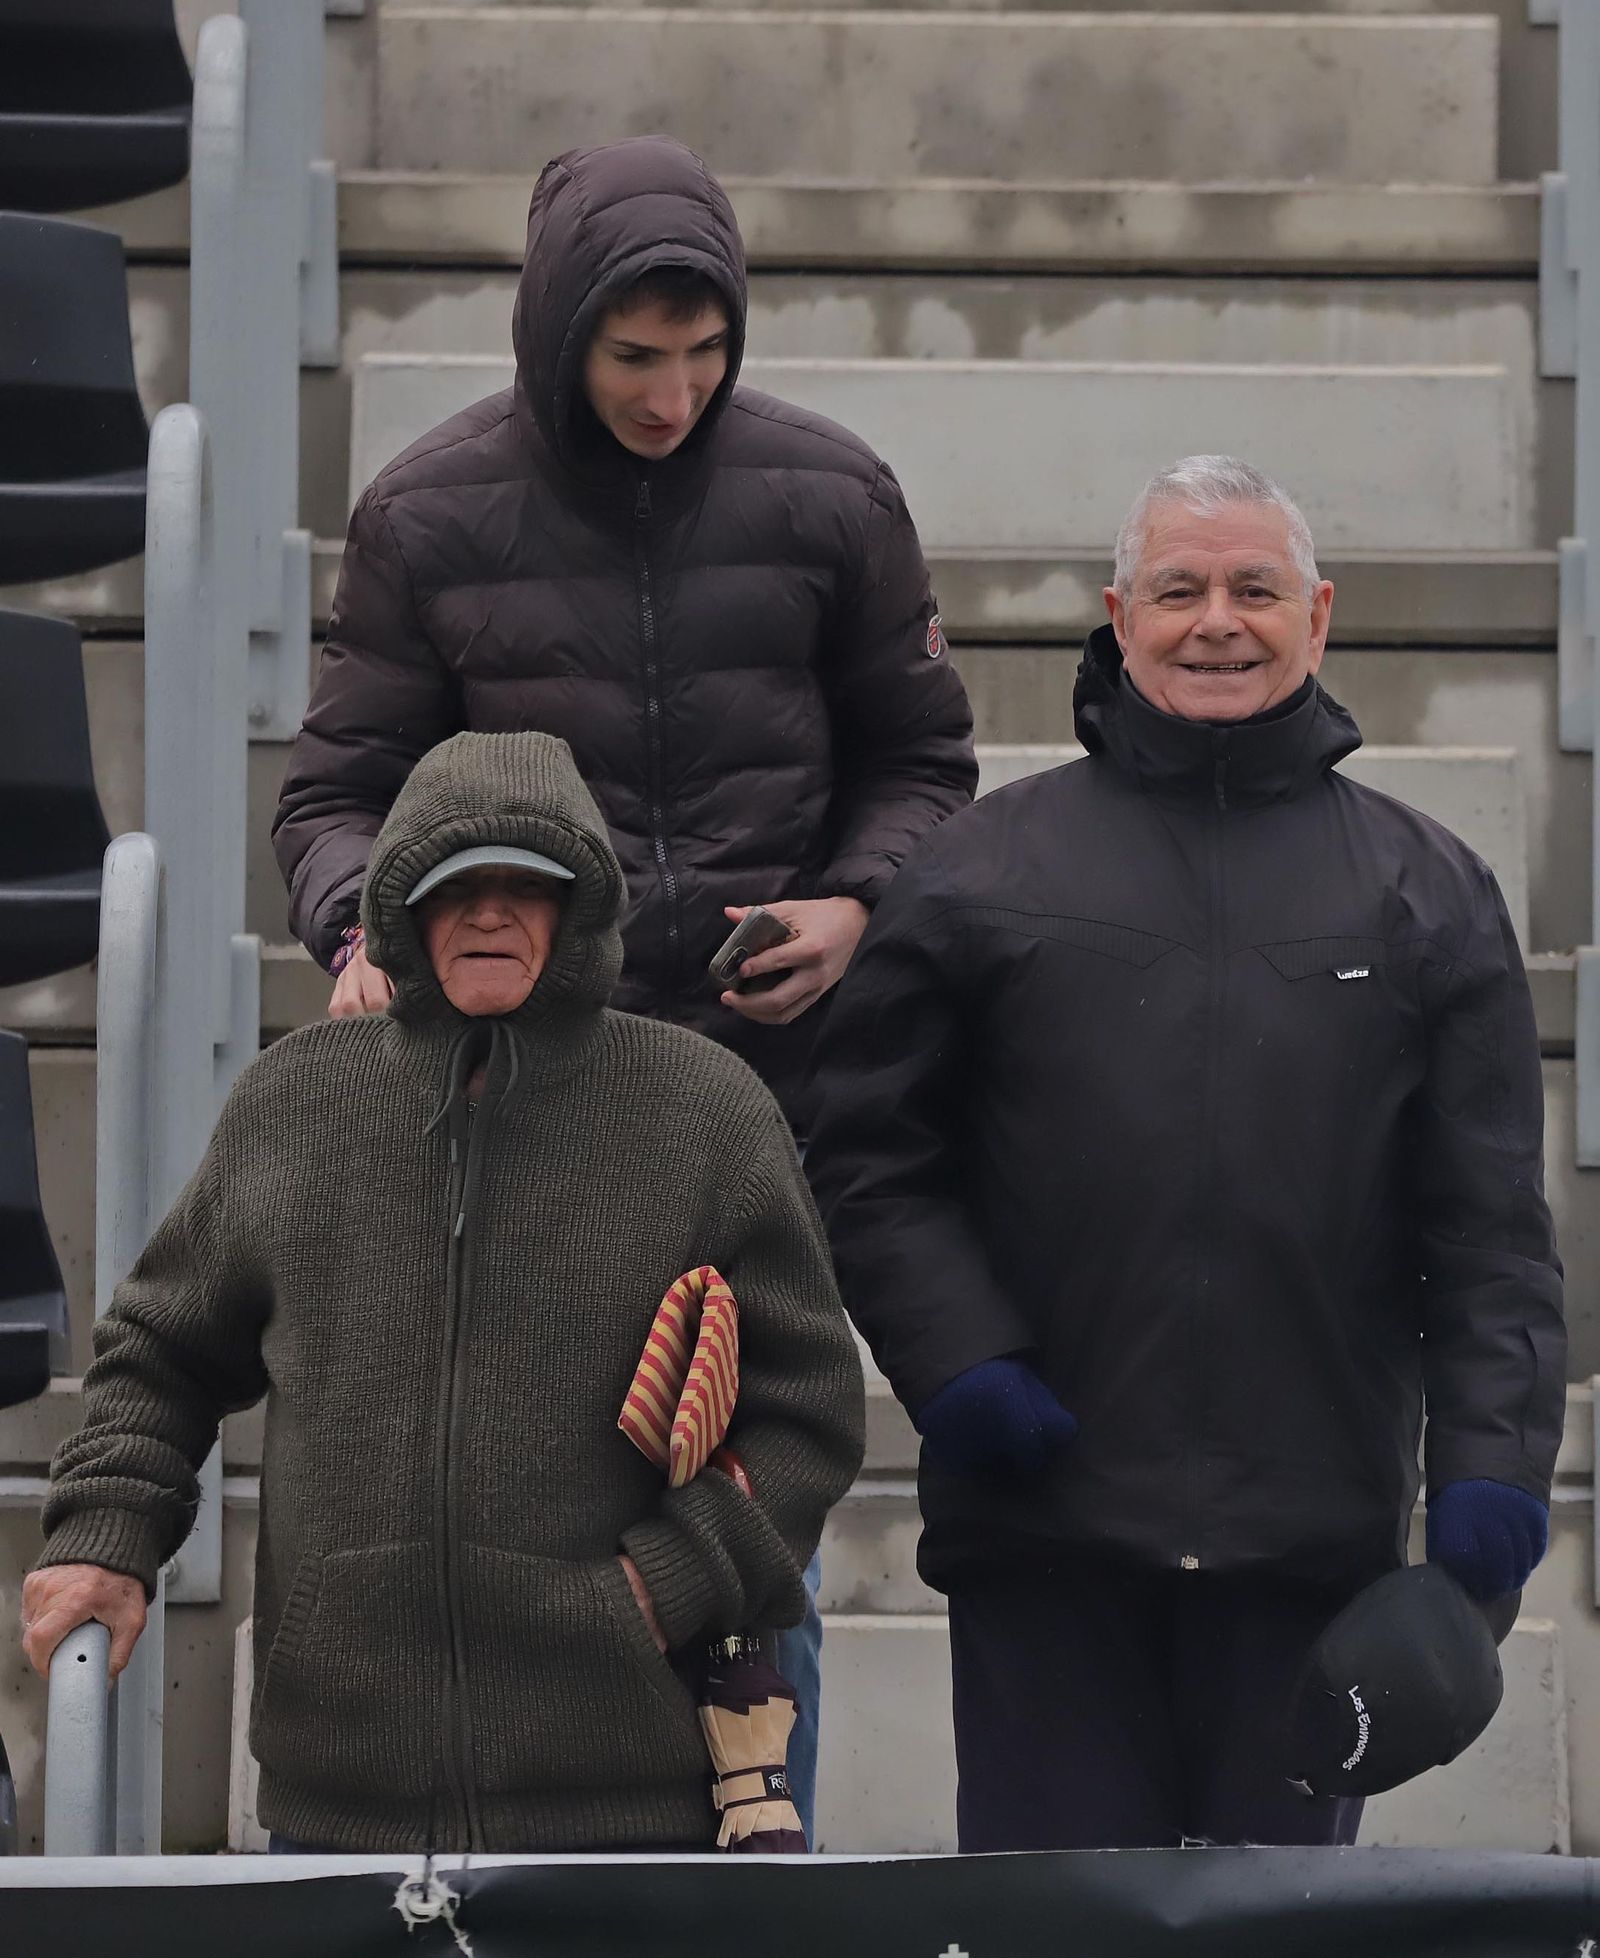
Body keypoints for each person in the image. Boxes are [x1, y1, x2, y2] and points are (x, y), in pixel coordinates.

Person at [270, 135, 977, 1839]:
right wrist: (368, 934)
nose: (675, 394)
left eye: (705, 353)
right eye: (634, 356)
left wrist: (855, 909)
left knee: (748, 1503)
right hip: (509, 1110)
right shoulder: (430, 512)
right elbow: (331, 793)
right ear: (556, 337)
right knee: (525, 1499)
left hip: (760, 1104)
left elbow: (924, 767)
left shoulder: (831, 497)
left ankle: (749, 1874)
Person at [806, 455, 1567, 1853]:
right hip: (1045, 1544)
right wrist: (962, 1364)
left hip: (1308, 1559)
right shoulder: (977, 874)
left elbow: (1490, 1234)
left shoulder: (1432, 894)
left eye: (1254, 587)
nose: (1218, 618)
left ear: (1318, 616)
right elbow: (867, 1153)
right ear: (1118, 612)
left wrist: (1492, 1475)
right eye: (1180, 588)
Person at [23, 731, 865, 1854]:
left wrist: (659, 1589)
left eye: (529, 887)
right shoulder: (294, 1102)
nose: (489, 915)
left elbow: (802, 1407)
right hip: (340, 1801)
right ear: (397, 912)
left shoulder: (705, 1110)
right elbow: (160, 1354)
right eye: (453, 888)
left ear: (584, 911)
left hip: (627, 1803)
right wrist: (104, 1532)